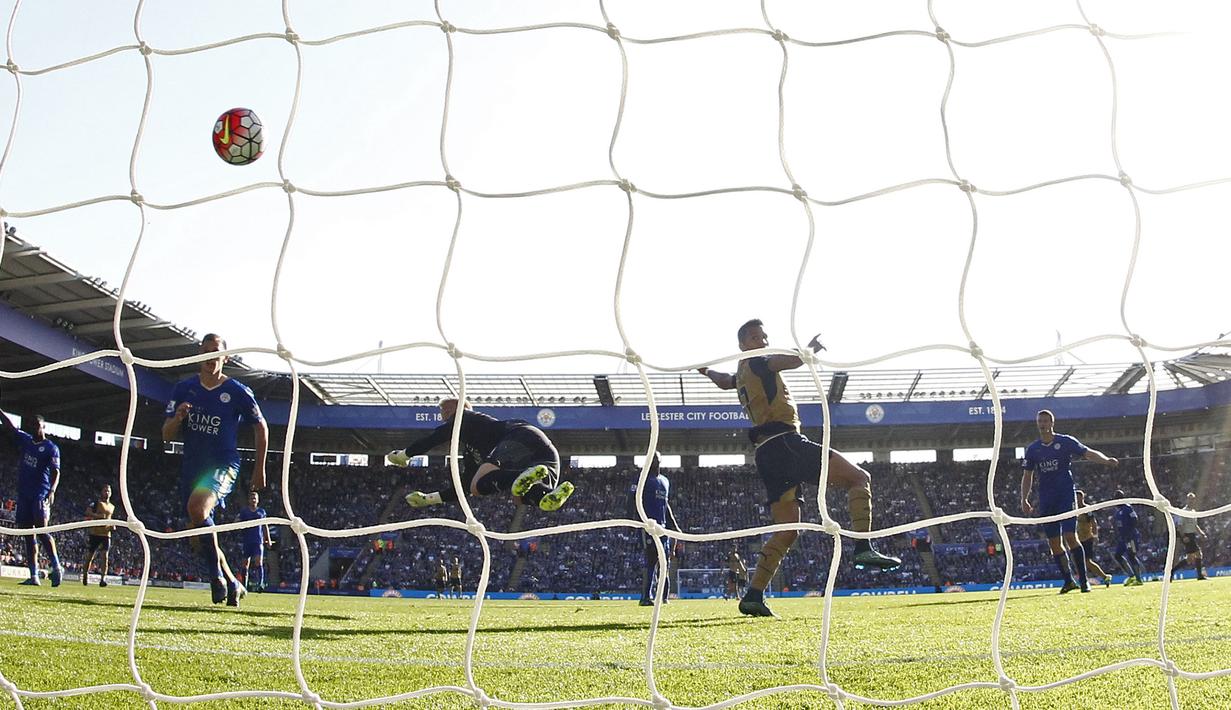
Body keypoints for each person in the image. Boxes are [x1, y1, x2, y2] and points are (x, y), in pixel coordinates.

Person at [698, 320, 899, 617]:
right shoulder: (760, 361)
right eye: (756, 336)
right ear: (743, 345)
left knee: (788, 531)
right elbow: (787, 360)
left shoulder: (741, 374)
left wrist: (705, 370)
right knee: (859, 477)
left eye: (765, 335)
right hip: (786, 443)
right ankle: (862, 547)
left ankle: (753, 595)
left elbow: (724, 381)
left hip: (766, 454)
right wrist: (809, 349)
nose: (764, 339)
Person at [162, 333, 268, 607]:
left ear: (225, 357)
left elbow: (261, 426)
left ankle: (216, 579)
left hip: (222, 464)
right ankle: (233, 582)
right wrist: (178, 418)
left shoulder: (237, 391)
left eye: (215, 352)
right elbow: (165, 435)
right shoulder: (183, 389)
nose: (210, 357)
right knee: (200, 533)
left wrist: (260, 469)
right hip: (192, 467)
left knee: (198, 509)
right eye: (206, 352)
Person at [388, 399, 574, 512]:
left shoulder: (467, 417)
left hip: (518, 435)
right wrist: (429, 499)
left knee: (478, 484)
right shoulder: (471, 451)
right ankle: (549, 494)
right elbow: (463, 488)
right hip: (544, 454)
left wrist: (405, 454)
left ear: (457, 407)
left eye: (444, 410)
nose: (443, 414)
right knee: (522, 497)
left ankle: (521, 477)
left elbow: (436, 437)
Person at [1020, 409, 1118, 594]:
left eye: (1045, 421)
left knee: (1070, 536)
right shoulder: (1033, 449)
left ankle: (1084, 581)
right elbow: (1027, 476)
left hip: (1065, 496)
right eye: (1040, 421)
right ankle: (1068, 580)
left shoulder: (1065, 442)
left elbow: (1088, 453)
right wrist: (1024, 498)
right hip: (1046, 499)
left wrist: (1105, 460)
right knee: (1054, 544)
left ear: (1052, 423)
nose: (1042, 424)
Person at [0, 409, 63, 586]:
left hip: (40, 495)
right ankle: (34, 575)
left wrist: (52, 491)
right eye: (31, 425)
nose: (34, 428)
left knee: (42, 531)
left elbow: (56, 472)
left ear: (43, 426)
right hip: (24, 494)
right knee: (28, 534)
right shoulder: (27, 441)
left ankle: (57, 566)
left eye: (37, 425)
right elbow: (10, 427)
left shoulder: (51, 448)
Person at [625, 454, 681, 606]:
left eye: (656, 459)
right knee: (651, 561)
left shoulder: (665, 481)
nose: (654, 462)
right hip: (648, 527)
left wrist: (673, 525)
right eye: (651, 459)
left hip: (663, 529)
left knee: (665, 564)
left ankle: (663, 596)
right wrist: (632, 520)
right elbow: (632, 500)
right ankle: (645, 597)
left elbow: (665, 505)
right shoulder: (641, 479)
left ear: (660, 461)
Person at [1074, 490, 1112, 587]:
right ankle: (1083, 579)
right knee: (1076, 560)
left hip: (1087, 538)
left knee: (1087, 561)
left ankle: (1105, 577)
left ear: (1082, 498)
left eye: (1078, 497)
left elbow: (1093, 522)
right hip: (1078, 539)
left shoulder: (1087, 509)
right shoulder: (1074, 510)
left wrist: (1095, 535)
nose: (1077, 500)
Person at [237, 491, 272, 592]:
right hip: (247, 540)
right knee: (245, 563)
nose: (253, 500)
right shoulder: (244, 511)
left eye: (255, 498)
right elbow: (238, 521)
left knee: (258, 562)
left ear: (258, 500)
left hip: (258, 540)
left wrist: (268, 539)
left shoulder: (261, 512)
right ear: (248, 500)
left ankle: (260, 584)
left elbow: (265, 526)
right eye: (251, 498)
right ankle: (245, 585)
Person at [82, 483, 116, 587]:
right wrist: (98, 516)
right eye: (105, 490)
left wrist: (112, 525)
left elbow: (109, 518)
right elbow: (87, 512)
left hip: (106, 534)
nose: (107, 492)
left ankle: (103, 579)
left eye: (108, 491)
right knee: (90, 556)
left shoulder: (112, 506)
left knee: (104, 556)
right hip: (95, 533)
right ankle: (85, 575)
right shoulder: (96, 503)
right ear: (101, 492)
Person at [1112, 490, 1145, 587]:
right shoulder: (1118, 511)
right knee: (1117, 555)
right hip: (1123, 538)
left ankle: (1139, 579)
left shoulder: (1128, 508)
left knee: (1131, 556)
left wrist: (1129, 532)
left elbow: (1135, 519)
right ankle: (1131, 576)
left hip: (1130, 537)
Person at [1172, 492, 1207, 581]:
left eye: (1193, 499)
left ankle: (1172, 571)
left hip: (1192, 535)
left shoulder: (1193, 512)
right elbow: (1179, 526)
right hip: (1187, 536)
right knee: (1198, 554)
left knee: (1189, 559)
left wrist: (1201, 533)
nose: (1191, 501)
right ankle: (1199, 576)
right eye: (1190, 499)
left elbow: (1195, 525)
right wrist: (1183, 536)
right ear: (1187, 500)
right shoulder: (1184, 512)